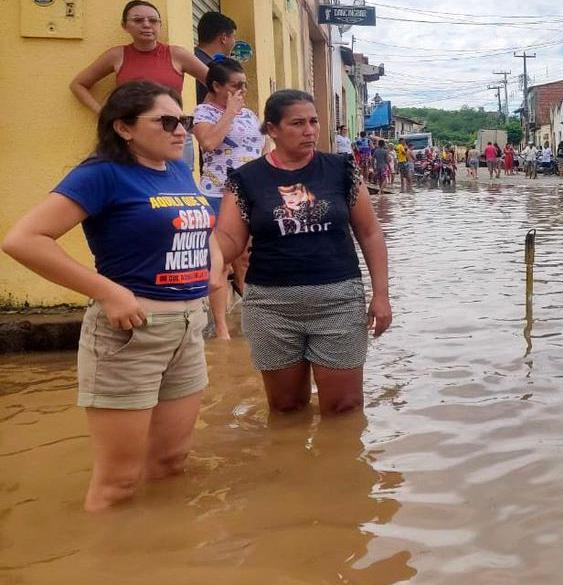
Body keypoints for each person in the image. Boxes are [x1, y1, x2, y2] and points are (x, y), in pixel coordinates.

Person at [3, 81, 217, 512]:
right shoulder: (100, 174)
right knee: (118, 483)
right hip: (130, 333)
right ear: (123, 128)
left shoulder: (176, 167)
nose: (181, 131)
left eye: (185, 121)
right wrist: (108, 292)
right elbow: (24, 239)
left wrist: (211, 265)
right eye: (167, 122)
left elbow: (198, 218)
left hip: (188, 329)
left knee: (172, 464)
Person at [215, 90, 391, 417]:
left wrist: (381, 295)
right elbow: (229, 237)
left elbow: (370, 233)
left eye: (313, 121)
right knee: (286, 408)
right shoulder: (246, 180)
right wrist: (208, 257)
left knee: (345, 408)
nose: (309, 130)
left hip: (338, 301)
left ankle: (339, 467)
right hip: (271, 307)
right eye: (297, 123)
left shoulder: (342, 170)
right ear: (272, 130)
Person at [71, 1, 209, 170]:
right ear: (124, 26)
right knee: (132, 185)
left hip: (173, 133)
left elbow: (217, 84)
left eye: (152, 20)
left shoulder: (177, 54)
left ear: (160, 25)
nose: (146, 25)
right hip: (133, 136)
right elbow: (78, 84)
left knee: (177, 188)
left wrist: (205, 117)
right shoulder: (116, 56)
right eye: (138, 20)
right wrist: (104, 113)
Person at [192, 56, 262, 340]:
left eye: (245, 85)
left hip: (250, 195)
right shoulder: (204, 113)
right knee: (218, 260)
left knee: (246, 257)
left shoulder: (249, 114)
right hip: (217, 194)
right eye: (236, 85)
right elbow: (209, 143)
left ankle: (253, 316)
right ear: (217, 86)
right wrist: (229, 112)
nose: (242, 91)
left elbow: (261, 149)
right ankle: (221, 329)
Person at [194, 12, 237, 104]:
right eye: (234, 37)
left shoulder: (189, 59)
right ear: (224, 38)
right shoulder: (215, 70)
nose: (234, 42)